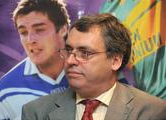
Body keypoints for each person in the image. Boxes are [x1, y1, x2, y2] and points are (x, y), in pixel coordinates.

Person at [22, 13, 166, 120]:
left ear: (115, 60)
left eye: (84, 53)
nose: (70, 61)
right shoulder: (35, 112)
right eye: (68, 50)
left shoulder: (152, 111)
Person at [0, 0, 70, 119]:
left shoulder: (94, 72)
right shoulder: (5, 90)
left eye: (39, 30)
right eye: (23, 32)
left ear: (63, 29)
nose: (30, 39)